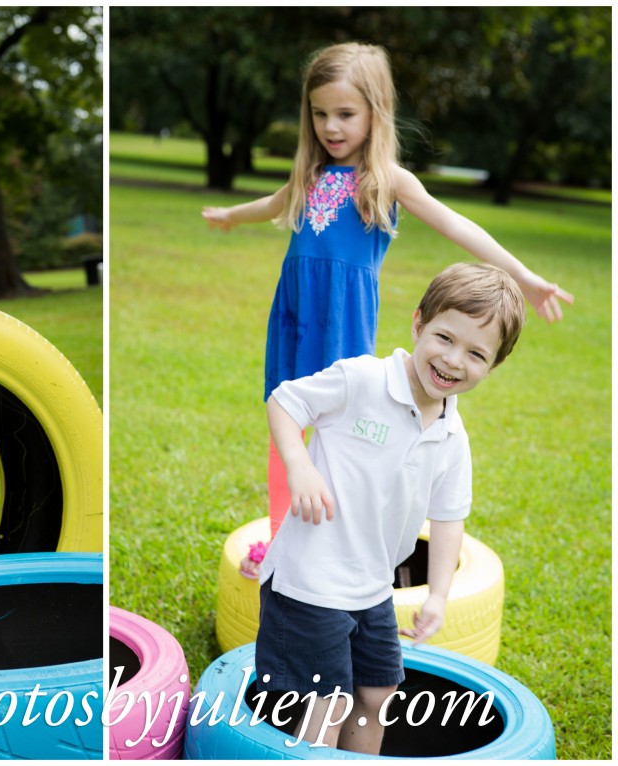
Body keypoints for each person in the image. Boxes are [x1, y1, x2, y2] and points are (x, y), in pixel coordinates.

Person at [200, 42, 573, 577]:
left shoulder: (387, 181)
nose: (331, 126)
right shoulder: (308, 174)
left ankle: (336, 543)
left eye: (345, 114)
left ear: (376, 112)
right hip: (295, 313)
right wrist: (231, 217)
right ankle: (282, 539)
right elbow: (272, 205)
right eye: (320, 113)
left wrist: (527, 278)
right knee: (283, 414)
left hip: (343, 318)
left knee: (340, 427)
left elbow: (456, 225)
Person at [254, 263, 525, 753]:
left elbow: (448, 519)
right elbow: (284, 402)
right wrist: (299, 466)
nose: (453, 360)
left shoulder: (452, 436)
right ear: (418, 322)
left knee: (378, 692)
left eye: (476, 354)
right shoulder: (363, 380)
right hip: (311, 580)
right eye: (444, 337)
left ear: (492, 366)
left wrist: (438, 595)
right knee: (327, 703)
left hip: (372, 587)